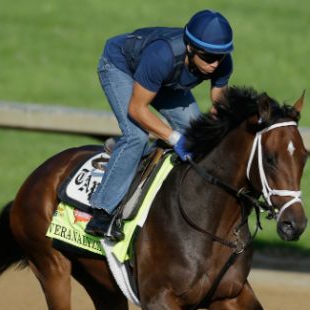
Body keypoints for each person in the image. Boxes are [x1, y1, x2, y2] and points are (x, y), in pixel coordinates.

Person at [85, 9, 235, 241]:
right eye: (207, 57)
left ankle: (133, 156)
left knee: (196, 134)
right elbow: (137, 109)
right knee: (136, 136)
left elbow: (219, 104)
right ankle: (102, 212)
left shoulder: (221, 62)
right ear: (190, 48)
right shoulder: (162, 55)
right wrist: (175, 138)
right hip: (120, 66)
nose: (215, 64)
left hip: (164, 80)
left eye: (220, 57)